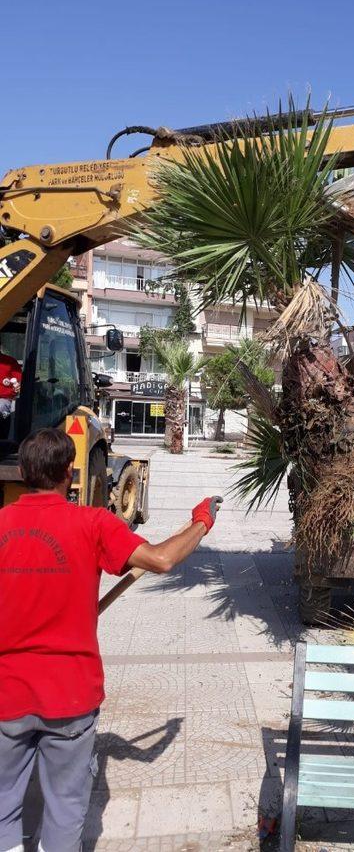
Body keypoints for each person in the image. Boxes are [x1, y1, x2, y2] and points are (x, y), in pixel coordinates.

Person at [0, 428, 220, 852]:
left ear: (24, 471)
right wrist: (201, 522)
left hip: (6, 694)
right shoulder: (92, 523)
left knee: (4, 803)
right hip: (69, 695)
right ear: (70, 472)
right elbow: (162, 559)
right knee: (64, 806)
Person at [0, 346, 21, 440]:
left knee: (1, 407)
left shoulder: (10, 361)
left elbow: (19, 382)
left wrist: (17, 387)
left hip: (3, 398)